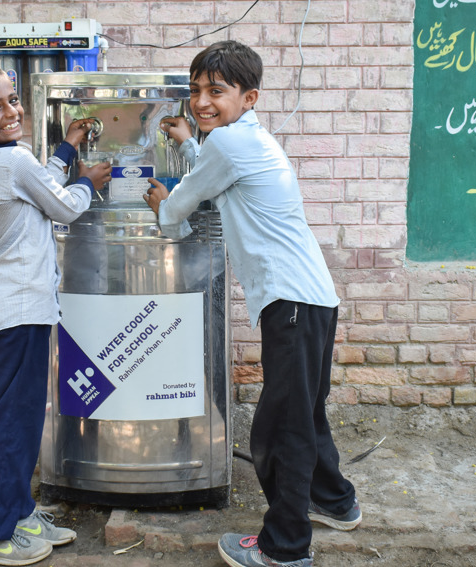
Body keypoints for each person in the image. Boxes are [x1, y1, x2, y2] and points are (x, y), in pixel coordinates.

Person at [143, 41, 360, 567]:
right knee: (304, 412)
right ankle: (335, 502)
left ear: (249, 97)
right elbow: (216, 174)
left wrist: (162, 207)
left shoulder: (227, 143)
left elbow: (181, 205)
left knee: (281, 427)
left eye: (216, 91)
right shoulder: (245, 139)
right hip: (312, 298)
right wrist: (189, 145)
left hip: (290, 301)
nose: (201, 102)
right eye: (196, 91)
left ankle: (285, 548)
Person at [0, 64, 111, 566]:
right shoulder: (13, 160)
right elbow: (62, 206)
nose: (11, 112)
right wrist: (87, 181)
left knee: (16, 417)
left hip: (4, 305)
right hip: (18, 309)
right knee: (12, 424)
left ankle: (18, 513)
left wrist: (68, 147)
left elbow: (37, 186)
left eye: (13, 100)